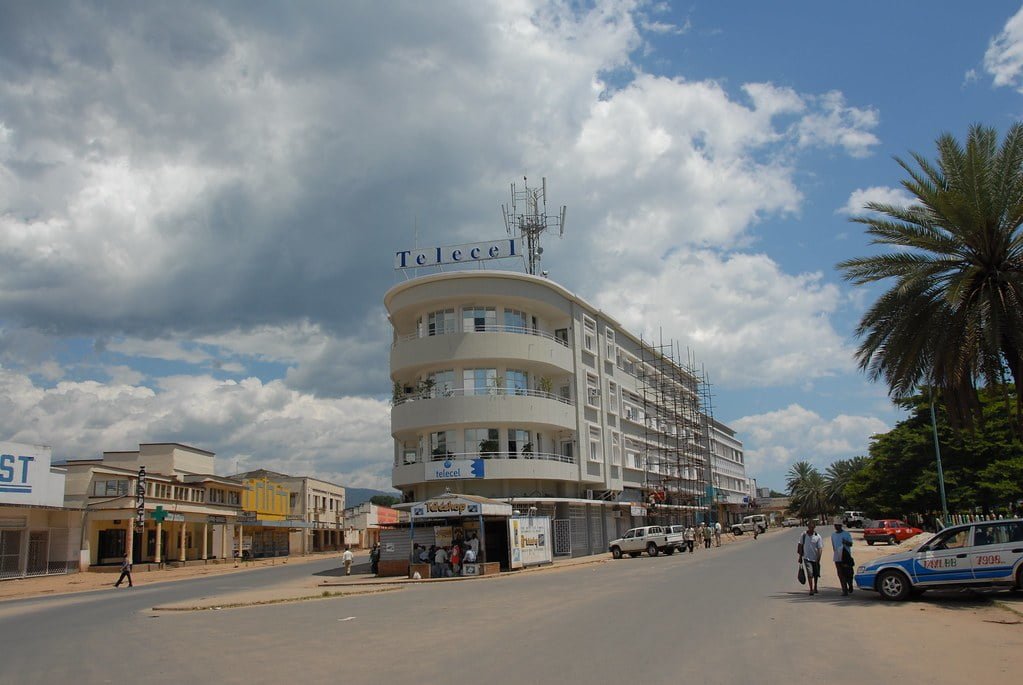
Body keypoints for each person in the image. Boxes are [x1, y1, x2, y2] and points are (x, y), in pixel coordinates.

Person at [797, 522, 824, 595]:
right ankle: (811, 589)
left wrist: (819, 558)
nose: (811, 529)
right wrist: (800, 557)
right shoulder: (804, 535)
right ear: (808, 527)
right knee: (810, 573)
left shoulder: (818, 536)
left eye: (812, 527)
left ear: (814, 527)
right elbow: (800, 545)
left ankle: (815, 586)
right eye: (809, 527)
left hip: (815, 559)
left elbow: (820, 548)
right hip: (806, 558)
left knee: (816, 574)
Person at [831, 520, 854, 595]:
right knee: (840, 574)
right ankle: (844, 590)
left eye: (838, 525)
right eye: (835, 525)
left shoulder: (846, 534)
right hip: (837, 556)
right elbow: (834, 546)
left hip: (846, 557)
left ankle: (850, 585)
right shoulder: (833, 535)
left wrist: (845, 542)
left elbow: (851, 544)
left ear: (841, 526)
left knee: (848, 573)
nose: (836, 527)